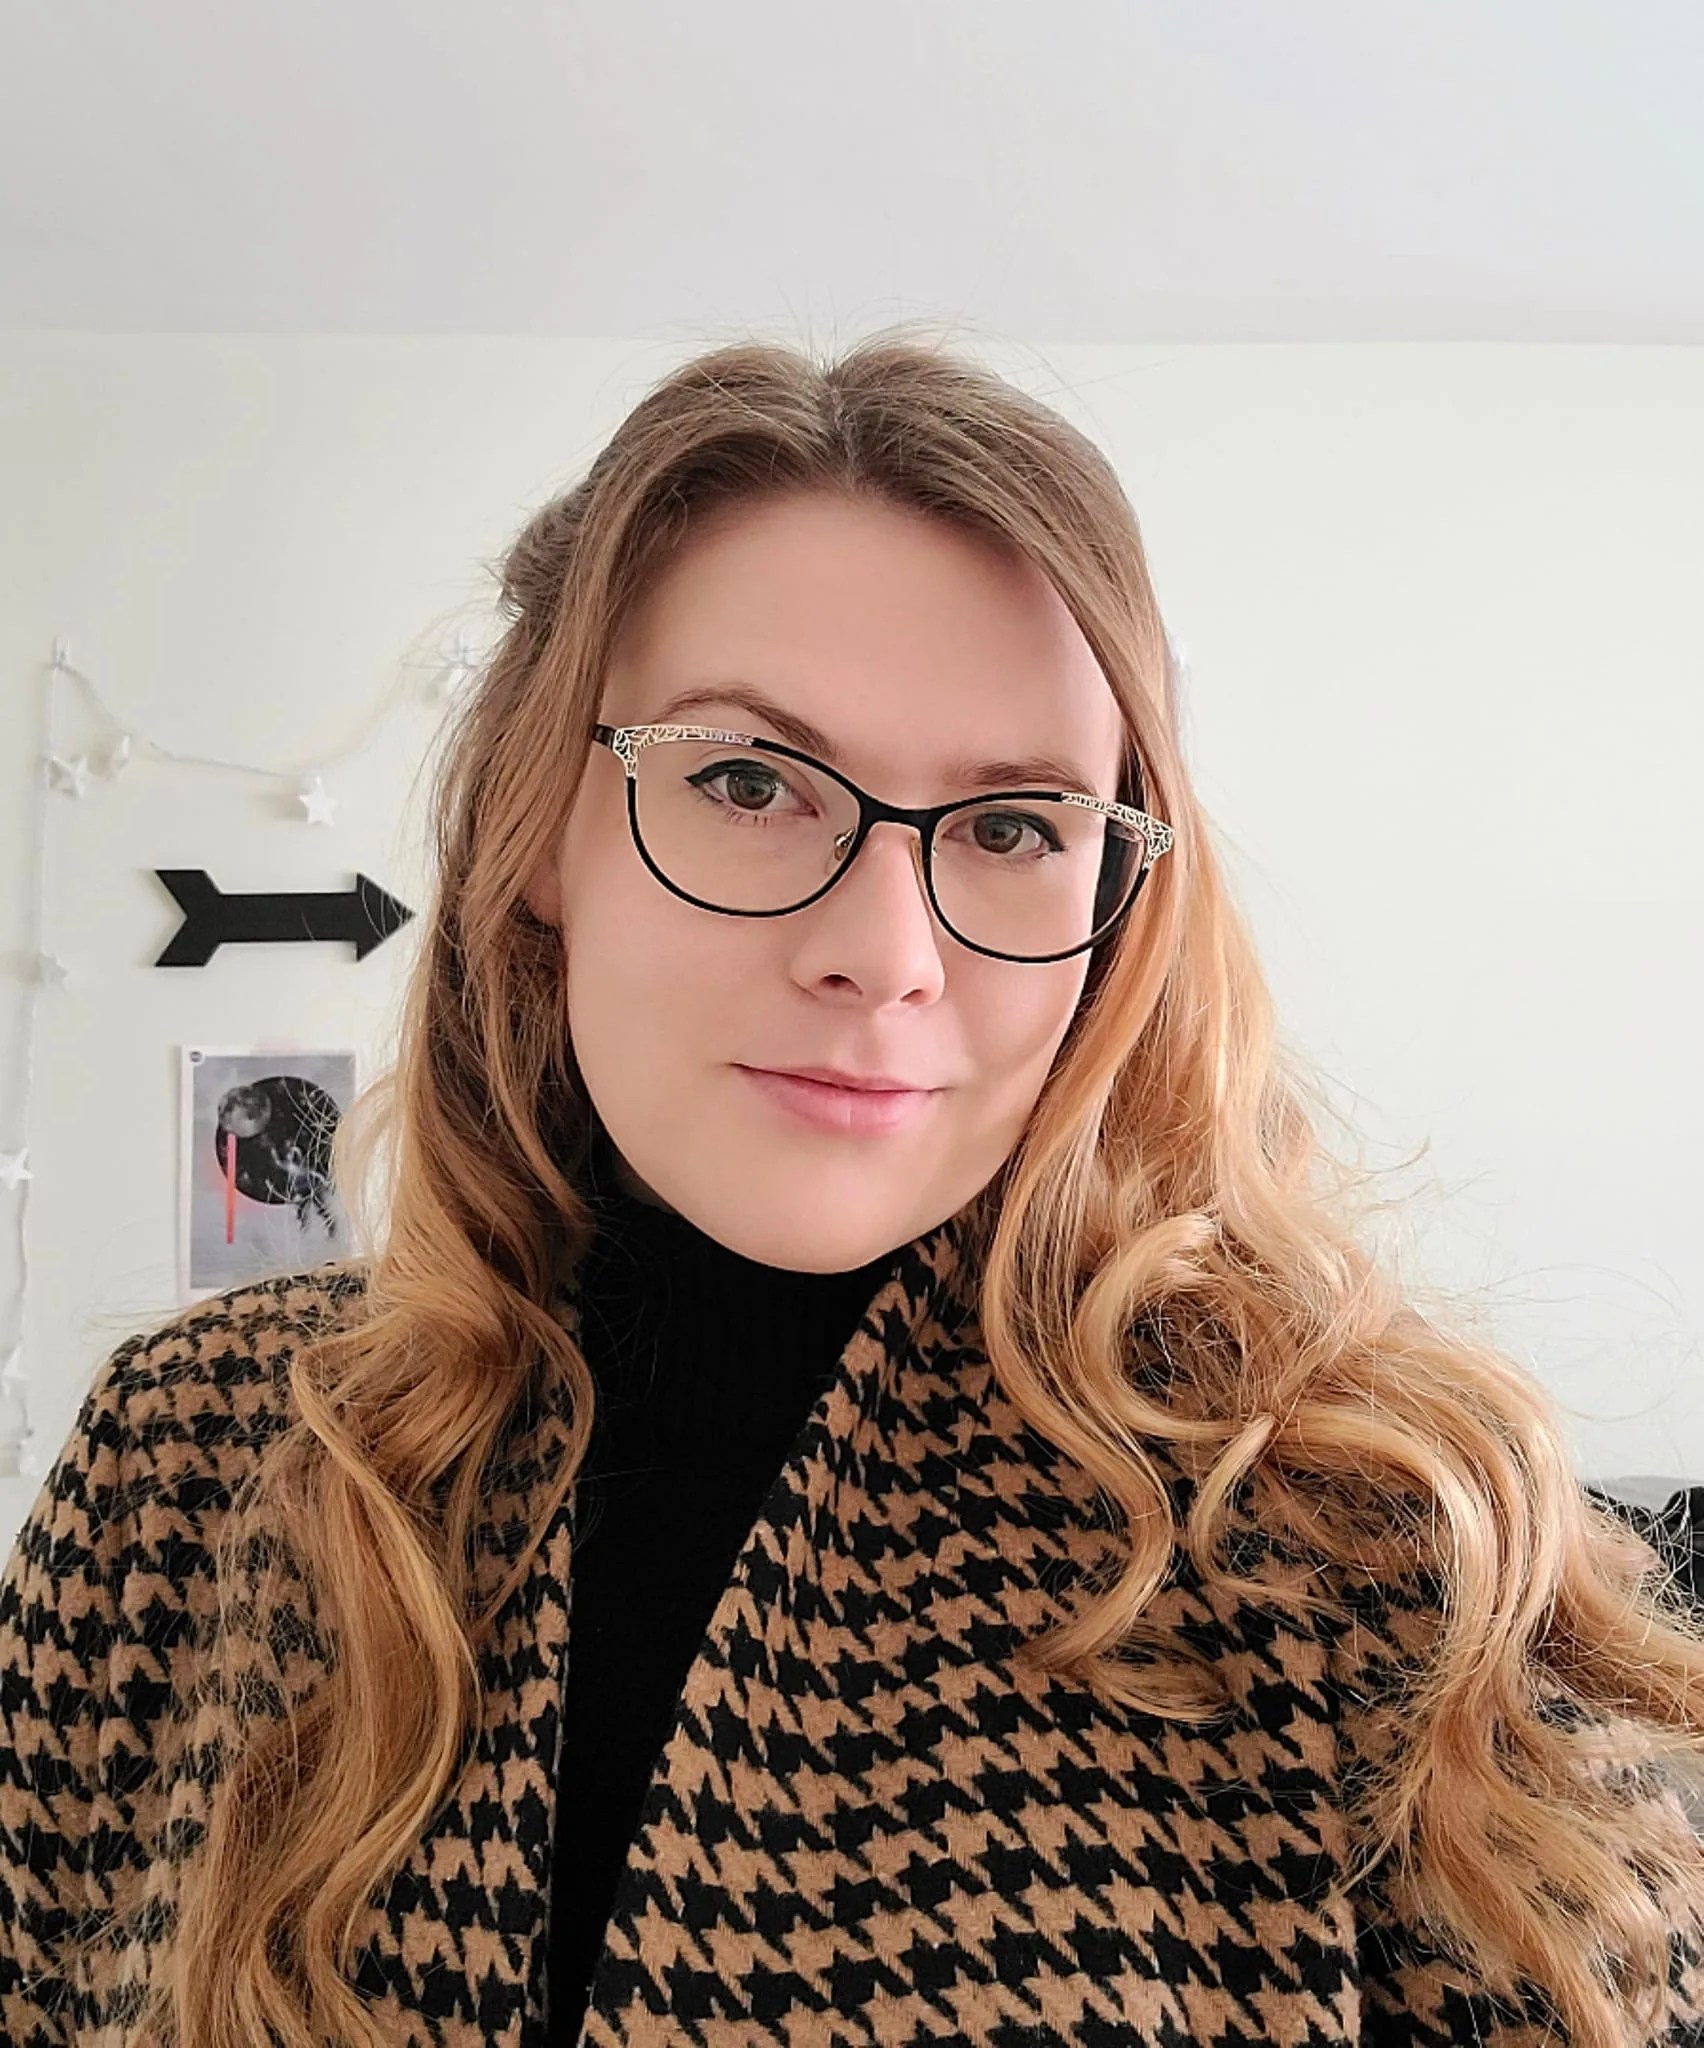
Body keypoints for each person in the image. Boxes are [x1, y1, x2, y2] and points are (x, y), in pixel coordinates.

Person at [2, 327, 1702, 2048]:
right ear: (533, 833)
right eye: (749, 782)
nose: (886, 959)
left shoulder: (1391, 1548)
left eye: (1019, 825)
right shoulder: (189, 1456)